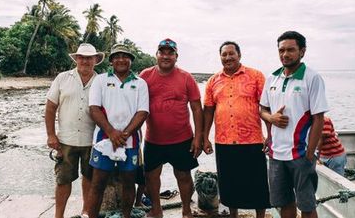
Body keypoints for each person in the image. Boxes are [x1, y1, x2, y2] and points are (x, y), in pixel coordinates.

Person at [260, 31, 329, 218]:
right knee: (284, 204)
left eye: (291, 49)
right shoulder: (271, 78)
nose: (285, 54)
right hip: (276, 154)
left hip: (301, 154)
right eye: (281, 50)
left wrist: (309, 154)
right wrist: (271, 118)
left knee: (306, 205)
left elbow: (318, 119)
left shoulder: (312, 78)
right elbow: (262, 109)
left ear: (302, 51)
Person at [202, 41, 270, 218]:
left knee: (257, 183)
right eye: (224, 54)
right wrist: (204, 137)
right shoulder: (213, 81)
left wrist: (270, 135)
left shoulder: (256, 76)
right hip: (224, 141)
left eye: (231, 53)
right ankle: (233, 215)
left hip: (252, 140)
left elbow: (266, 108)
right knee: (229, 184)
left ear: (239, 55)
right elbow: (208, 111)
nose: (228, 57)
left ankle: (260, 216)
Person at [140, 38, 203, 218]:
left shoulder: (186, 77)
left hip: (182, 138)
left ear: (176, 56)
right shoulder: (145, 75)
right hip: (153, 139)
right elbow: (134, 103)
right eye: (162, 52)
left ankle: (186, 209)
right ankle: (157, 209)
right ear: (157, 55)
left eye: (170, 53)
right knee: (151, 176)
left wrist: (198, 137)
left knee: (183, 176)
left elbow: (197, 108)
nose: (166, 56)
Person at [87, 43, 149, 218]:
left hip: (131, 141)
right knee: (97, 183)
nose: (121, 59)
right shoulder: (100, 80)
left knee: (129, 182)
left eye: (125, 56)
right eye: (117, 56)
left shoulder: (140, 83)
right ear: (111, 61)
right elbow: (94, 108)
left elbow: (143, 112)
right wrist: (111, 132)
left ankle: (126, 216)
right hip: (103, 139)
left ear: (131, 60)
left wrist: (125, 133)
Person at [45, 43, 105, 218]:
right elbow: (50, 108)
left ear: (95, 60)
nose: (85, 61)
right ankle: (59, 215)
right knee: (63, 180)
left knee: (90, 179)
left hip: (93, 141)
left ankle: (86, 213)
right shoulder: (62, 78)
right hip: (65, 140)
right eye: (82, 57)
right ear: (76, 59)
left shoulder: (101, 82)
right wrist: (51, 135)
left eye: (89, 58)